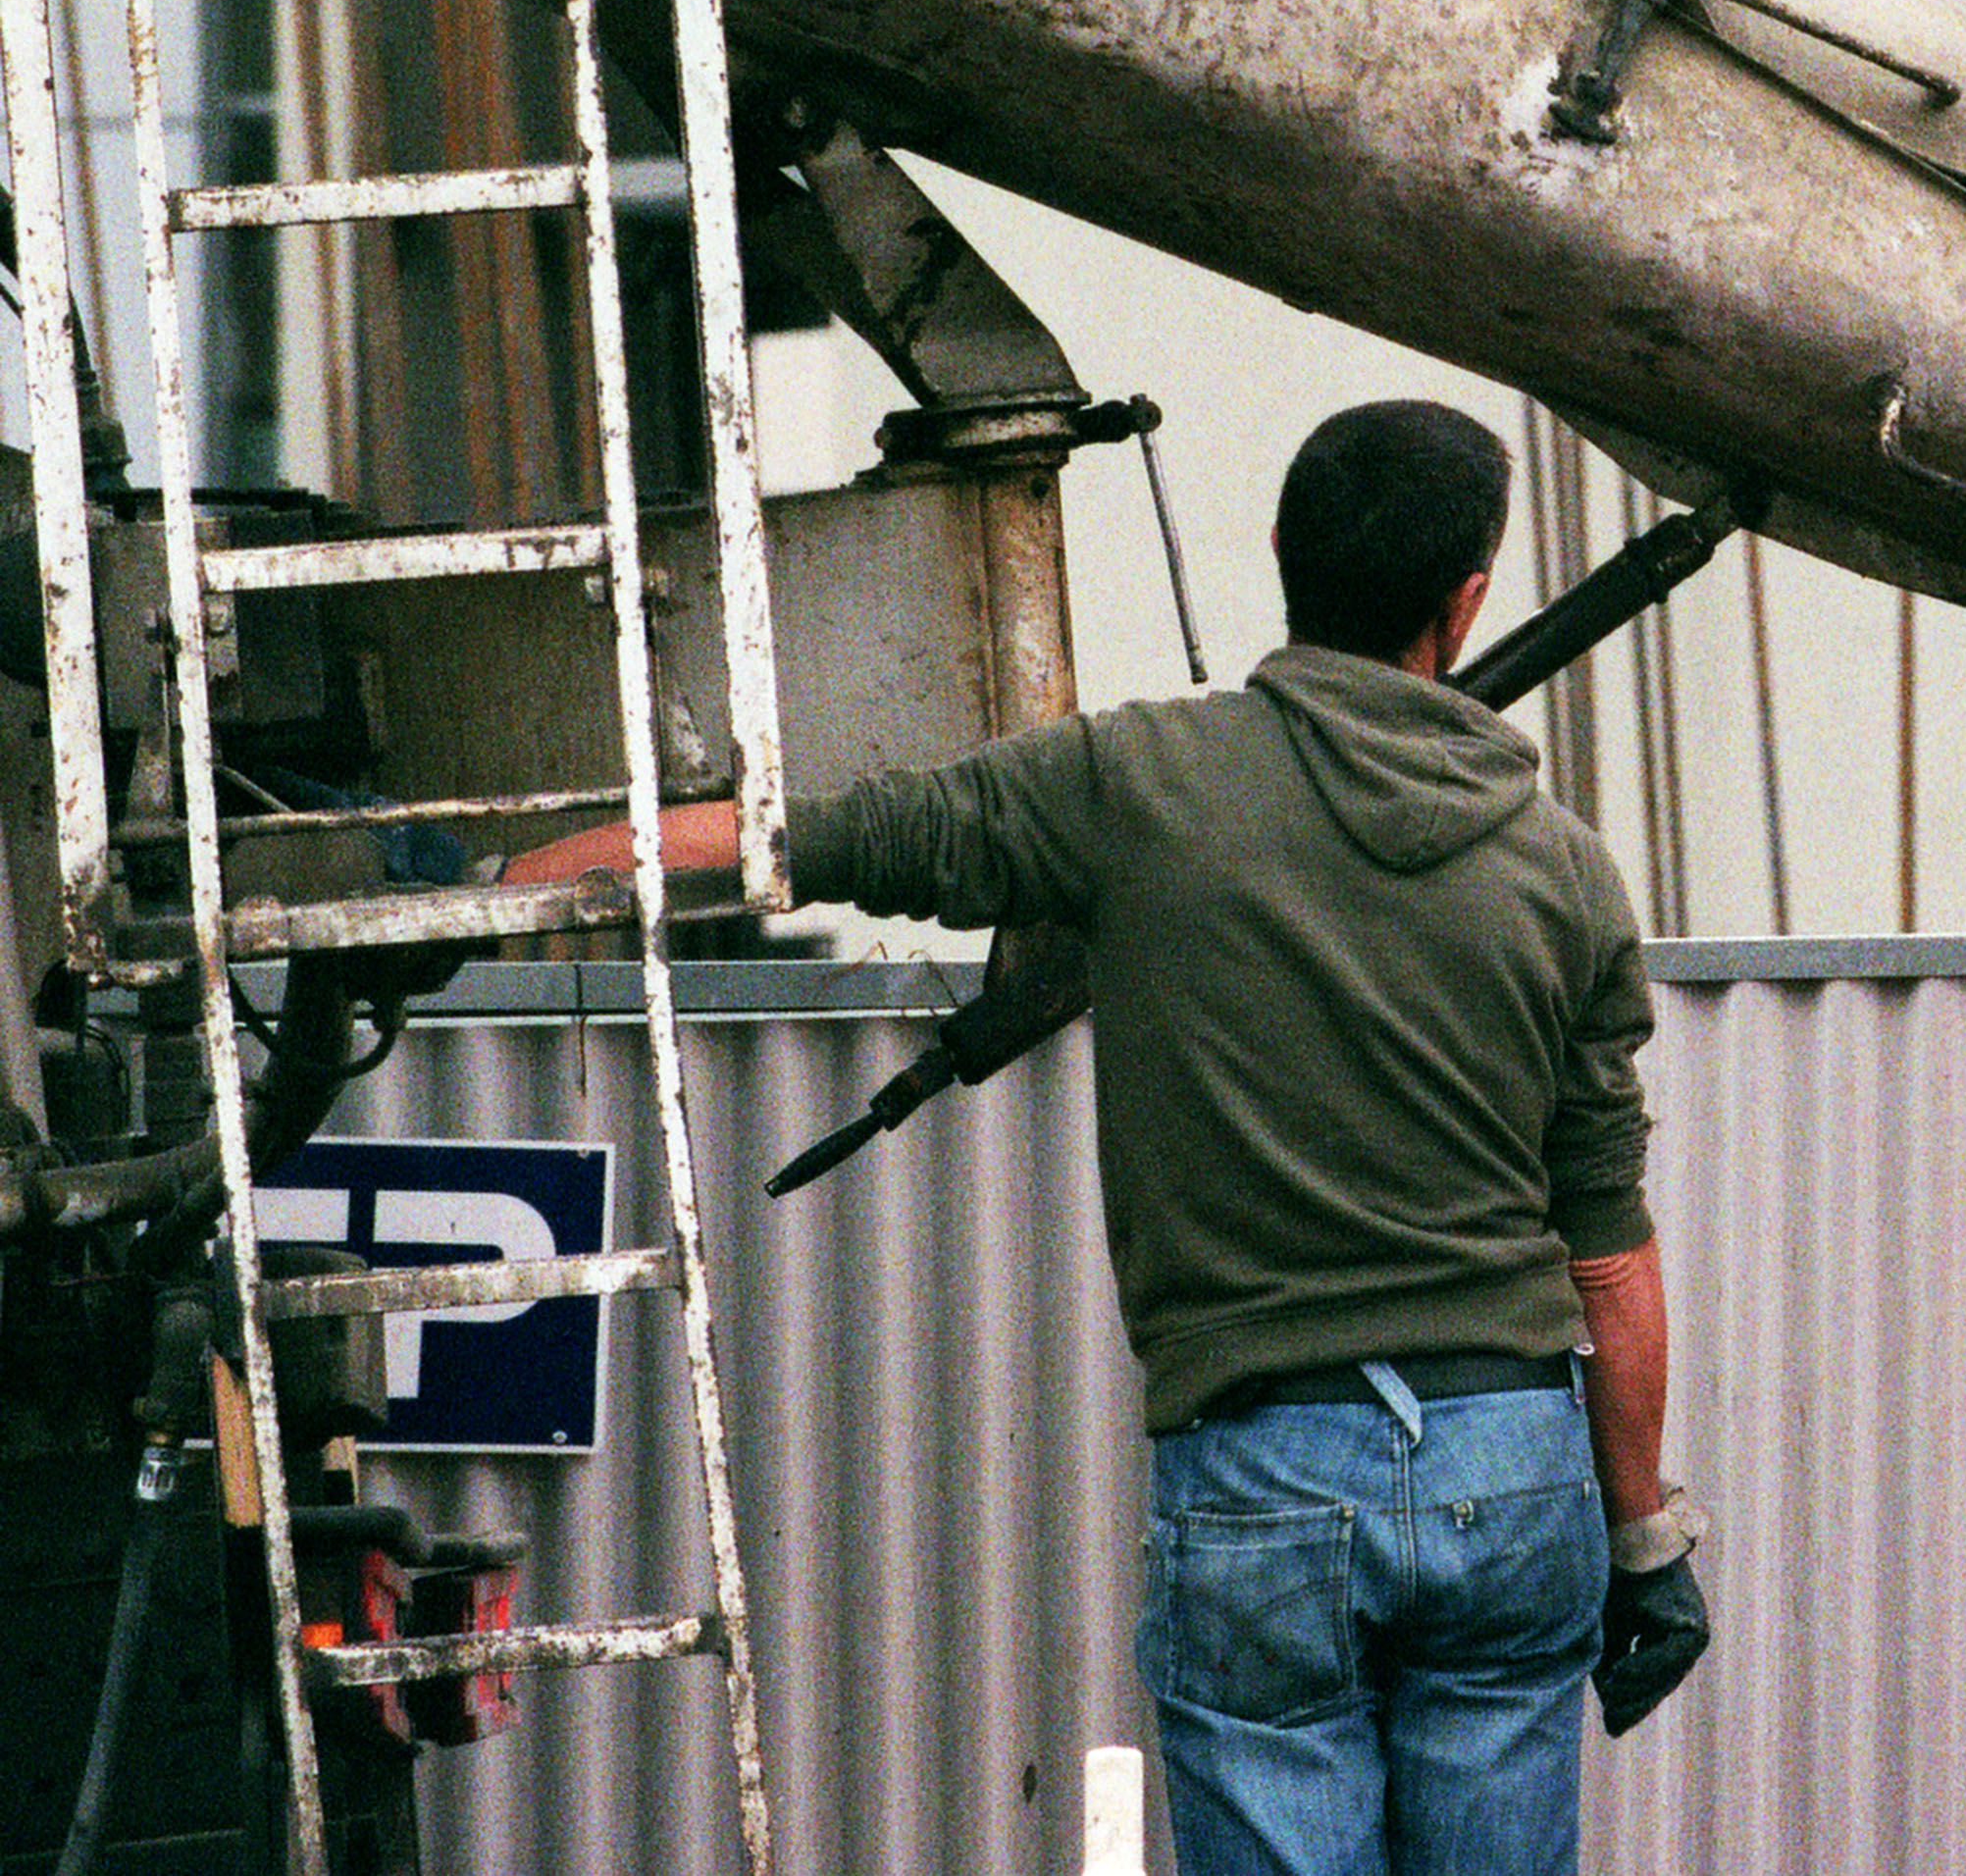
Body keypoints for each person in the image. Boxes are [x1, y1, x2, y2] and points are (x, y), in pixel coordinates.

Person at [522, 399, 1706, 1875]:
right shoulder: (1568, 873)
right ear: (1466, 603)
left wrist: (575, 857)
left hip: (1268, 1467)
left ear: (1278, 549)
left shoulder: (1134, 783)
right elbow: (1609, 1259)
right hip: (1511, 1456)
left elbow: (858, 837)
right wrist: (1644, 1537)